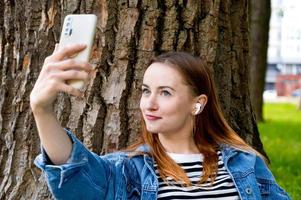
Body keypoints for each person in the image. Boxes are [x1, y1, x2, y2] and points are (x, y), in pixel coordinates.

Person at [31, 44, 291, 200]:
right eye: (146, 91)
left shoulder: (243, 163)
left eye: (165, 92)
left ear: (197, 104)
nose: (149, 103)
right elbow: (74, 171)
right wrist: (42, 110)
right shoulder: (128, 171)